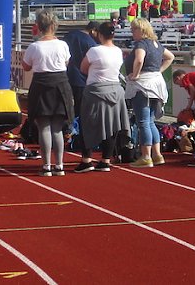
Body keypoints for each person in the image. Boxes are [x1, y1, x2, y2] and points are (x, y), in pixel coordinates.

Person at [22, 10, 74, 177]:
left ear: (39, 26)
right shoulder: (63, 45)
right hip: (60, 84)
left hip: (41, 85)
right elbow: (66, 62)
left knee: (44, 126)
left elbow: (26, 66)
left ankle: (46, 166)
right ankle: (59, 165)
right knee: (57, 128)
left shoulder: (34, 46)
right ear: (54, 26)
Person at [73, 22, 130, 173]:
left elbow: (83, 68)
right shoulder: (118, 51)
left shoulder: (94, 50)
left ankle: (87, 160)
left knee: (87, 124)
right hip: (115, 90)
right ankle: (105, 160)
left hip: (95, 91)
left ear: (99, 34)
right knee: (111, 126)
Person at [124, 18, 174, 168]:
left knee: (143, 122)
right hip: (156, 85)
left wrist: (135, 74)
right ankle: (157, 155)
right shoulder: (157, 44)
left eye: (134, 30)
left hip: (143, 86)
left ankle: (146, 156)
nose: (132, 33)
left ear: (142, 30)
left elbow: (139, 60)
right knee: (150, 121)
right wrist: (158, 71)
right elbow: (170, 57)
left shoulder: (141, 44)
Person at [62, 21, 99, 128]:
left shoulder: (69, 35)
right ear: (93, 31)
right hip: (82, 80)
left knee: (67, 109)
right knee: (81, 111)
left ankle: (68, 130)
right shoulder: (91, 44)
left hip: (67, 77)